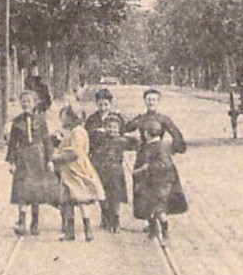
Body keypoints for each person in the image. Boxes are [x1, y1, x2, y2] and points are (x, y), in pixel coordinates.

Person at [5, 90, 59, 236]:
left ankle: (35, 223)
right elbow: (12, 144)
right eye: (23, 101)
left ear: (35, 103)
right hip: (22, 157)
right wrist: (11, 163)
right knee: (21, 190)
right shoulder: (16, 122)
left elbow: (47, 141)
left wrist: (49, 160)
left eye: (29, 101)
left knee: (36, 191)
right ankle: (21, 222)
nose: (26, 104)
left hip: (37, 158)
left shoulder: (41, 121)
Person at [51, 104, 104, 241]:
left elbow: (75, 152)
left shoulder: (78, 132)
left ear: (71, 118)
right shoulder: (72, 131)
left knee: (81, 199)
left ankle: (87, 229)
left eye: (63, 118)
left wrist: (56, 157)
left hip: (76, 169)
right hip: (68, 170)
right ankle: (70, 231)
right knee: (67, 201)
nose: (61, 121)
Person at [131, 119, 186, 243]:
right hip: (149, 182)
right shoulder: (148, 145)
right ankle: (153, 231)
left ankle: (165, 234)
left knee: (159, 209)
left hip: (161, 183)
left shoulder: (160, 147)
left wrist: (146, 168)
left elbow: (163, 165)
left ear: (148, 133)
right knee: (148, 207)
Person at [83, 90, 131, 233]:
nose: (103, 108)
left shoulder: (117, 118)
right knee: (100, 189)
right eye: (100, 104)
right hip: (98, 160)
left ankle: (115, 219)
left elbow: (122, 138)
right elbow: (86, 138)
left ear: (110, 104)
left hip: (113, 160)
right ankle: (105, 215)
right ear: (96, 104)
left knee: (115, 191)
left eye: (106, 104)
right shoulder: (92, 119)